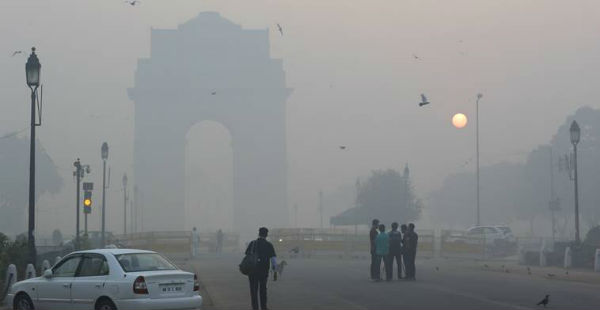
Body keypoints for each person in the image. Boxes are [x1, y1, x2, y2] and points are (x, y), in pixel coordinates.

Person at [245, 227, 277, 310]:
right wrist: (275, 271)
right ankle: (264, 307)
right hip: (263, 272)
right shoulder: (269, 245)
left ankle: (255, 307)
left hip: (252, 271)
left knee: (253, 291)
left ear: (259, 234)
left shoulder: (252, 243)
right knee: (263, 290)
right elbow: (273, 259)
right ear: (266, 235)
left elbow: (247, 255)